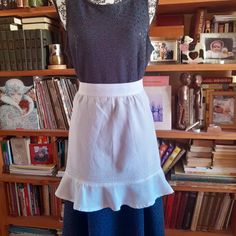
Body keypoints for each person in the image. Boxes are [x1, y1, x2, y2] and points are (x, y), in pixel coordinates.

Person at [53, 0, 173, 235]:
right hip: (90, 119)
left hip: (133, 118)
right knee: (91, 189)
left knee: (137, 190)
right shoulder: (66, 4)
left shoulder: (145, 3)